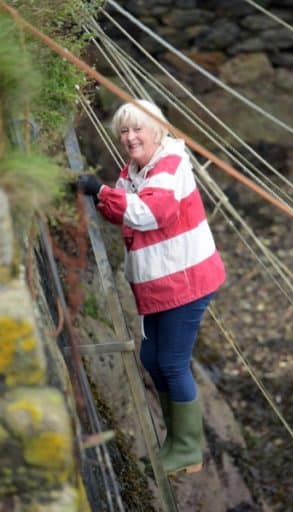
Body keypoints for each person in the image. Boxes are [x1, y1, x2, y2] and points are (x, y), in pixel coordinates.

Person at [77, 99, 226, 475]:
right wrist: (98, 194)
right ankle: (174, 444)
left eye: (137, 129)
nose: (130, 137)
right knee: (151, 358)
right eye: (124, 131)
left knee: (173, 363)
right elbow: (124, 210)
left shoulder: (169, 165)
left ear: (157, 130)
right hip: (162, 282)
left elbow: (150, 213)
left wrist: (104, 191)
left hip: (185, 279)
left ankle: (188, 450)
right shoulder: (135, 170)